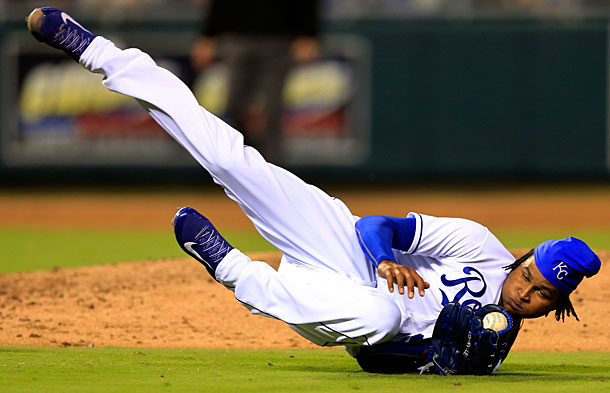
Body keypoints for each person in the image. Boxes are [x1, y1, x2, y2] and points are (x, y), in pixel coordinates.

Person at [26, 7, 602, 374]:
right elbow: (376, 227)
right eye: (530, 275)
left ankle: (229, 268)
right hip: (346, 248)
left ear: (556, 306)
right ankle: (100, 52)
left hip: (347, 308)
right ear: (525, 257)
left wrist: (431, 358)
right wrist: (384, 259)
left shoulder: (493, 348)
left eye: (544, 295)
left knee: (379, 318)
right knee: (235, 160)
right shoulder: (479, 244)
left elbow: (372, 357)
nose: (528, 292)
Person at [191, 0, 319, 163]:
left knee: (273, 110)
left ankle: (273, 170)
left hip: (278, 39)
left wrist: (308, 34)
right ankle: (242, 164)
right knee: (235, 107)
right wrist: (208, 35)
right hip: (237, 37)